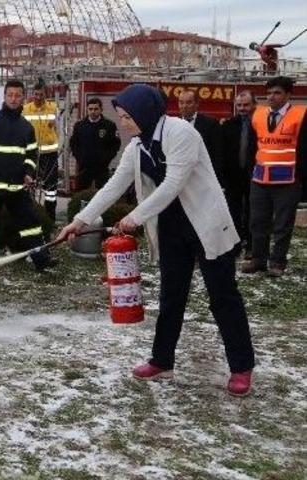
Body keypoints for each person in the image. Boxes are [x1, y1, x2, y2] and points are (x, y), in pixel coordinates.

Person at [57, 84, 256, 397]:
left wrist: (134, 217)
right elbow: (113, 186)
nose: (122, 123)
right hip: (173, 228)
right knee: (171, 296)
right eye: (120, 117)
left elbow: (173, 184)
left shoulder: (180, 133)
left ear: (143, 112)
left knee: (223, 296)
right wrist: (79, 221)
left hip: (205, 224)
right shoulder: (137, 145)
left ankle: (242, 367)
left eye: (125, 117)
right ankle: (162, 360)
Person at [0, 79, 54, 271]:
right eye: (10, 95)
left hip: (17, 187)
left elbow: (32, 155)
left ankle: (41, 261)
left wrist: (28, 173)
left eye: (17, 95)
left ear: (23, 97)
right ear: (4, 96)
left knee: (30, 223)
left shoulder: (26, 127)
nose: (14, 99)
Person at [242, 76, 307, 277]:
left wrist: (301, 179)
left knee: (282, 224)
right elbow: (253, 146)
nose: (271, 97)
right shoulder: (258, 114)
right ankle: (258, 260)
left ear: (288, 95)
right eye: (269, 93)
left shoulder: (301, 114)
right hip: (260, 179)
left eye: (277, 93)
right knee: (257, 222)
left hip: (288, 179)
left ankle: (277, 262)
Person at [220, 91, 258, 258]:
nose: (242, 108)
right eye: (239, 105)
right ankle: (235, 246)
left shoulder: (261, 125)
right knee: (233, 212)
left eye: (246, 105)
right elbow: (222, 152)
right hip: (233, 178)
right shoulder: (228, 125)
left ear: (254, 105)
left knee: (253, 213)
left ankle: (252, 246)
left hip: (255, 176)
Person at [24, 81, 60, 220]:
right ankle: (30, 217)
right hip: (31, 155)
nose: (38, 97)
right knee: (29, 187)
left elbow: (60, 129)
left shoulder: (53, 109)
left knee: (50, 190)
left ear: (46, 94)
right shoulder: (25, 110)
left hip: (50, 155)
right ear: (33, 94)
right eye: (36, 94)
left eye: (41, 94)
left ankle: (50, 218)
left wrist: (58, 146)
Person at [69, 97, 121, 190]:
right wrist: (80, 157)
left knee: (102, 193)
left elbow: (116, 144)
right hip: (84, 167)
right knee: (82, 194)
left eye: (96, 109)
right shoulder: (80, 125)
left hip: (102, 168)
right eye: (90, 109)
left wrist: (106, 158)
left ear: (101, 110)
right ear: (87, 110)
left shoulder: (109, 125)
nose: (93, 111)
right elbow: (73, 143)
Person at [178, 90, 224, 181]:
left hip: (203, 176)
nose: (184, 106)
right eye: (181, 103)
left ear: (197, 104)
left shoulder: (211, 124)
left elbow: (217, 154)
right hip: (180, 176)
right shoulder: (174, 124)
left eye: (189, 103)